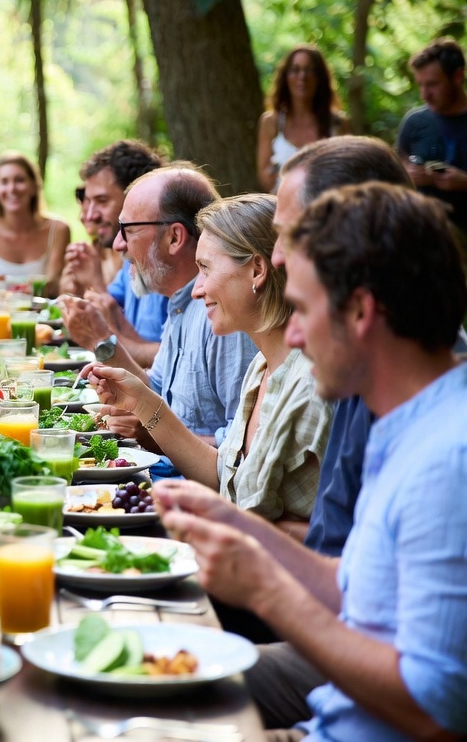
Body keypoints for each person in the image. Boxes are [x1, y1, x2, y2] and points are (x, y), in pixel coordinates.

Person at [157, 183, 467, 741]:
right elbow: (357, 586)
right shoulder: (406, 420)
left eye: (300, 309)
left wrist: (265, 590)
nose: (292, 334)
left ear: (361, 311)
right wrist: (233, 521)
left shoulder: (449, 460)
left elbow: (435, 709)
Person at [245, 136, 413, 729]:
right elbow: (350, 568)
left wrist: (262, 579)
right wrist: (235, 528)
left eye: (290, 233)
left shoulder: (422, 415)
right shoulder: (364, 373)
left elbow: (434, 700)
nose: (278, 254)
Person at [83, 194, 330, 537]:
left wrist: (224, 524)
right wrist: (142, 402)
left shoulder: (314, 386)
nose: (197, 290)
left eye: (205, 269)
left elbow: (340, 539)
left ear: (257, 270)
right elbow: (222, 478)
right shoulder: (262, 367)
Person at [60, 165, 257, 450]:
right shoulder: (180, 301)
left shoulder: (222, 315)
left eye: (127, 230)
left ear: (174, 238)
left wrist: (154, 436)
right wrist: (112, 364)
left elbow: (243, 451)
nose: (117, 244)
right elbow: (159, 393)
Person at [59, 140, 169, 365]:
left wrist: (96, 285)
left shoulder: (169, 263)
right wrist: (77, 291)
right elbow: (109, 320)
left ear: (136, 197)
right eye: (86, 202)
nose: (89, 216)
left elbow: (171, 361)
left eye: (101, 201)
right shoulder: (130, 262)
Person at [0, 152, 70, 296]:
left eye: (19, 180)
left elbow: (51, 288)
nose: (12, 189)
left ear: (34, 186)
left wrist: (4, 287)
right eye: (4, 182)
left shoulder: (58, 230)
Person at [256, 45, 350, 192]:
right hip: (282, 208)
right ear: (286, 77)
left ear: (320, 77)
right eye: (295, 70)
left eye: (309, 70)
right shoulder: (271, 122)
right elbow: (265, 176)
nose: (302, 77)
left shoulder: (338, 123)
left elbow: (348, 172)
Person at [396, 37, 467, 233]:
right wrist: (408, 173)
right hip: (424, 238)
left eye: (433, 84)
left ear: (458, 76)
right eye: (420, 85)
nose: (424, 95)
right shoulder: (414, 122)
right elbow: (395, 173)